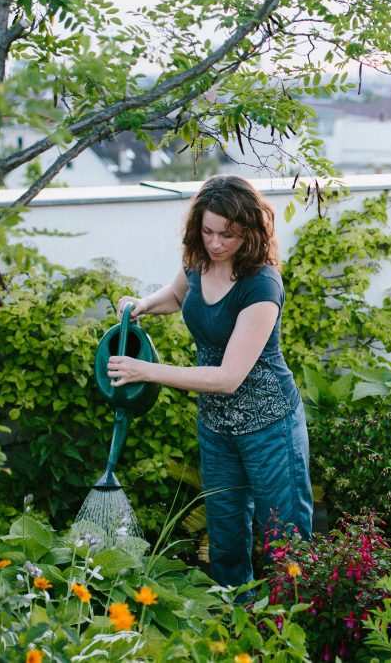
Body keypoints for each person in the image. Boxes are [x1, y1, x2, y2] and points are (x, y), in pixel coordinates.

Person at [108, 175, 312, 587]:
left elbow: (227, 378)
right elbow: (178, 295)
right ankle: (233, 614)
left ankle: (294, 616)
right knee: (225, 540)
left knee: (285, 538)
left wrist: (145, 370)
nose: (215, 243)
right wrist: (143, 304)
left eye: (227, 235)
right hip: (217, 427)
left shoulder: (261, 285)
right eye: (207, 231)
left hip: (270, 427)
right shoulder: (198, 262)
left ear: (250, 231)